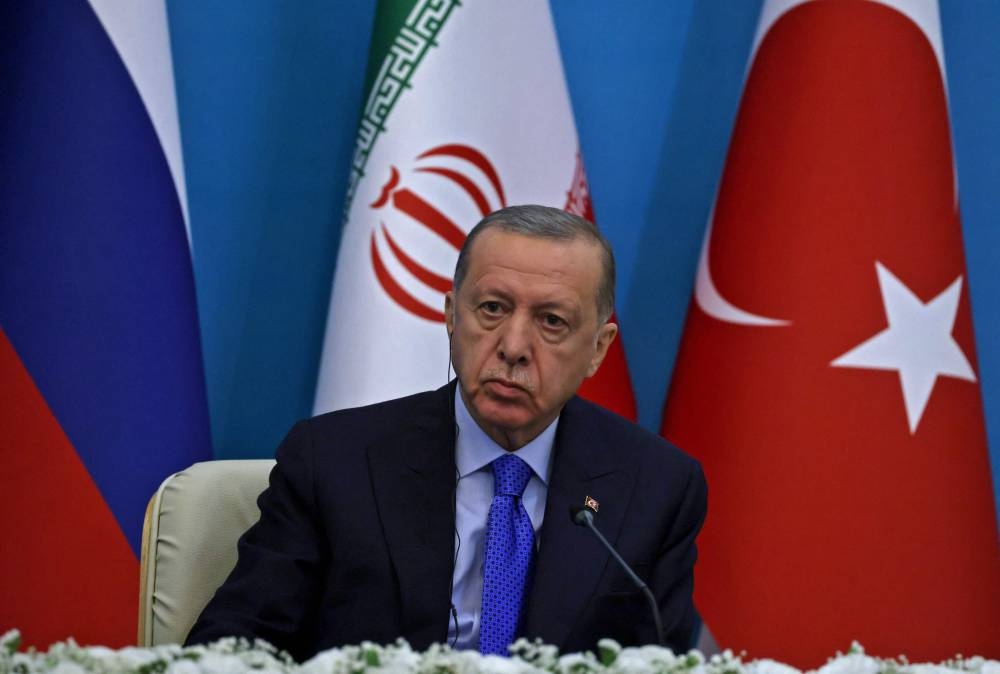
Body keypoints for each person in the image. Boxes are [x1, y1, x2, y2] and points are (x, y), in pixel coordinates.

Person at [186, 205, 707, 661]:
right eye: (492, 309)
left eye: (551, 321)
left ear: (598, 348)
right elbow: (232, 650)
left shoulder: (655, 488)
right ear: (451, 316)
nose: (513, 346)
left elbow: (662, 662)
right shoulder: (334, 462)